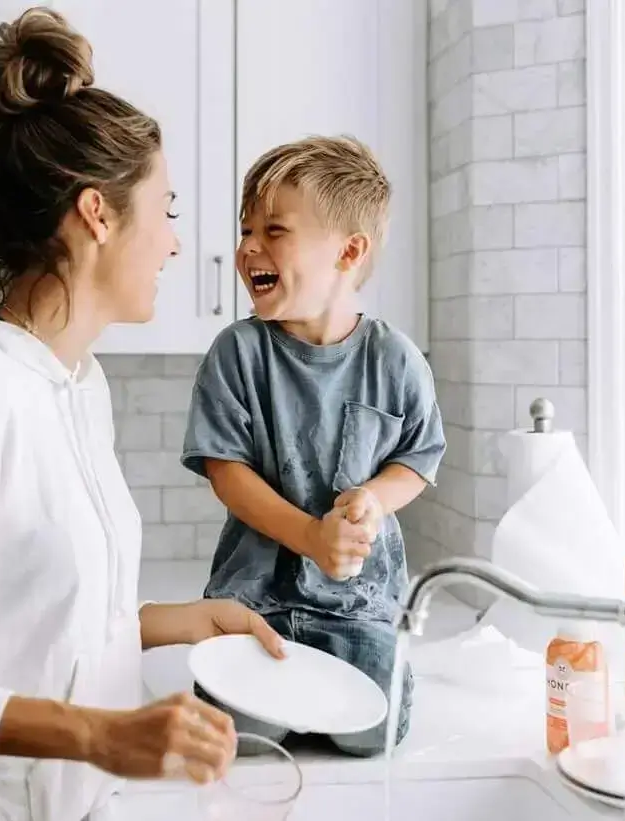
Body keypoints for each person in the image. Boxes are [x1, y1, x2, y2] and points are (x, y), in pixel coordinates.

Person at [0, 8, 285, 821]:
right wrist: (97, 735)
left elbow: (35, 624)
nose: (176, 245)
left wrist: (166, 624)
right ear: (96, 213)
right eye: (168, 210)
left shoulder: (78, 383)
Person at [181, 135, 447, 757]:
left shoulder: (396, 360)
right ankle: (282, 704)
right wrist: (308, 537)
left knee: (372, 736)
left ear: (349, 252)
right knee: (241, 737)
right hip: (253, 604)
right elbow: (226, 471)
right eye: (246, 230)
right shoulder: (237, 353)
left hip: (357, 606)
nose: (249, 249)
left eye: (274, 231)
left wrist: (375, 500)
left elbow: (417, 459)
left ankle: (314, 700)